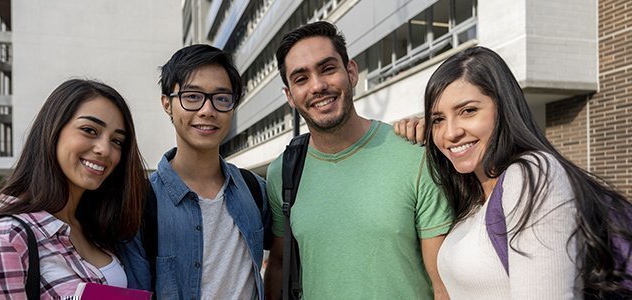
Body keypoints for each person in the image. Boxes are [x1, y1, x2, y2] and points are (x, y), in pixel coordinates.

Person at [410, 46, 632, 298]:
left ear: (503, 108)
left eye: (468, 111)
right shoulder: (476, 196)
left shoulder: (529, 175)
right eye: (438, 119)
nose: (450, 133)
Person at [264, 21, 453, 299]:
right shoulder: (282, 172)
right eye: (301, 78)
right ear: (290, 96)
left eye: (328, 69)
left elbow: (443, 283)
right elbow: (279, 264)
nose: (317, 86)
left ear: (351, 72)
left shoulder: (415, 154)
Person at [0, 79, 147, 298]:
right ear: (53, 131)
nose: (105, 149)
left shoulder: (94, 226)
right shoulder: (4, 237)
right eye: (89, 130)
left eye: (117, 141)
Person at [121, 44, 271, 299]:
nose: (207, 110)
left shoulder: (255, 190)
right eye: (192, 96)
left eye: (222, 98)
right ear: (167, 103)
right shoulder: (141, 202)